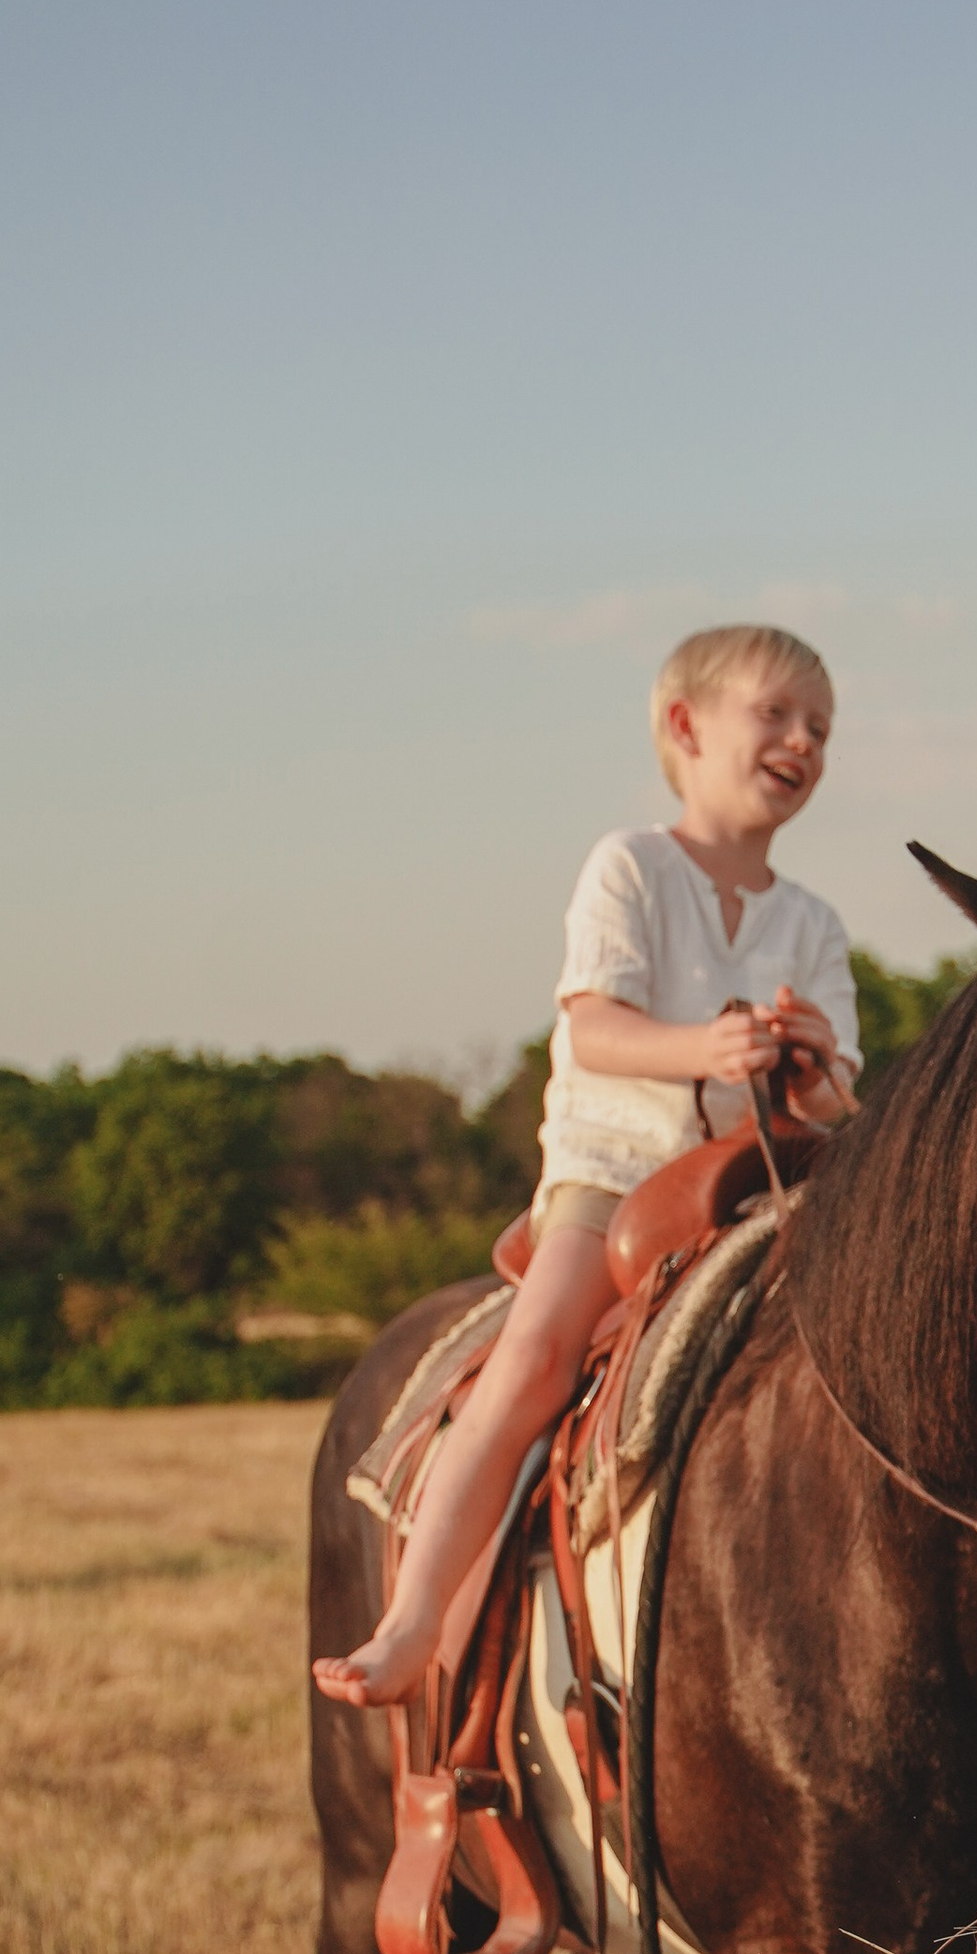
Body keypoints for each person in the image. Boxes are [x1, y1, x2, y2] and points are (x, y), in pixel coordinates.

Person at [314, 623, 860, 1710]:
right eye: (776, 714)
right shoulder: (631, 867)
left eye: (820, 728)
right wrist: (705, 1047)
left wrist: (806, 1071)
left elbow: (843, 1096)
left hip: (760, 1182)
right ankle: (415, 1618)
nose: (801, 740)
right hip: (618, 1171)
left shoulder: (814, 921)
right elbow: (596, 1027)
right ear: (683, 726)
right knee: (539, 1353)